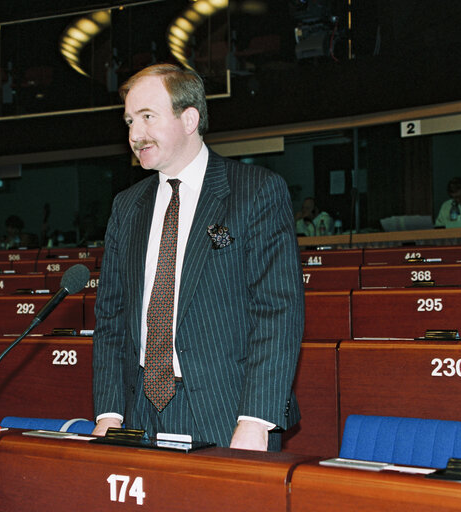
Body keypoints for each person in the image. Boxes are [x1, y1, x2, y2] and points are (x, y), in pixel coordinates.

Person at [91, 64, 304, 451]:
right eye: (129, 121)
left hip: (227, 413)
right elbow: (111, 318)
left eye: (147, 117)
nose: (135, 135)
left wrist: (256, 420)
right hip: (138, 411)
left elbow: (278, 311)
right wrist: (109, 413)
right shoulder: (126, 207)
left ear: (189, 118)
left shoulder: (255, 192)